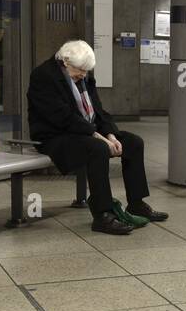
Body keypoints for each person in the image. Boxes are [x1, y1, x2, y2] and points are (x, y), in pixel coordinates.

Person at [27, 39, 168, 235]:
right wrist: (97, 136)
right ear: (65, 61)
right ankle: (103, 215)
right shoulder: (43, 76)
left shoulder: (82, 76)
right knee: (98, 148)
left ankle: (136, 203)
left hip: (85, 131)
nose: (84, 75)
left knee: (133, 143)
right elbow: (61, 117)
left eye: (86, 71)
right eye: (80, 70)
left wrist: (110, 133)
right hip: (55, 136)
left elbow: (98, 111)